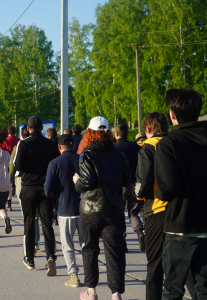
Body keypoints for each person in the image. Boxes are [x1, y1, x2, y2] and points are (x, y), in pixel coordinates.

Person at [155, 89, 207, 299]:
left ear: (172, 115)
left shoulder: (169, 144)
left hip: (181, 225)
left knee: (172, 290)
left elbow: (167, 187)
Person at [133, 112, 196, 300]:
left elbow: (143, 182)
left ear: (147, 129)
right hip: (181, 209)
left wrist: (137, 193)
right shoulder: (179, 143)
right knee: (186, 262)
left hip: (157, 209)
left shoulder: (148, 148)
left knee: (155, 264)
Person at [74, 116, 130, 300]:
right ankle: (116, 294)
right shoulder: (119, 154)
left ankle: (91, 291)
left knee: (90, 248)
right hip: (113, 209)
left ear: (89, 132)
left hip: (90, 209)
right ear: (107, 132)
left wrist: (77, 183)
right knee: (114, 251)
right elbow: (127, 181)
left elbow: (87, 180)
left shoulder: (88, 154)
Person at [14, 115, 60, 276]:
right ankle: (51, 256)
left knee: (29, 222)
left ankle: (29, 258)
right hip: (45, 188)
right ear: (42, 128)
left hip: (28, 188)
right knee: (47, 223)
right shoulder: (50, 144)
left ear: (28, 129)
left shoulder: (23, 144)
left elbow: (18, 166)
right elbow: (56, 164)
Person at [44, 134, 83, 288]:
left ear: (59, 147)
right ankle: (92, 272)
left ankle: (73, 275)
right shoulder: (82, 159)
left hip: (65, 208)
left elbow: (47, 189)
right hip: (84, 208)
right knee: (86, 244)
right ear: (74, 145)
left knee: (67, 245)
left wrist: (51, 195)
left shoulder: (54, 163)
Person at [114, 124, 145, 252]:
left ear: (116, 134)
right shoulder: (138, 148)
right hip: (135, 184)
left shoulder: (114, 149)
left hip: (120, 185)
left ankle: (122, 242)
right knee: (133, 212)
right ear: (128, 134)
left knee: (119, 214)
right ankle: (139, 232)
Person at [10, 126, 42, 254]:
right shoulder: (41, 144)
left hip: (22, 181)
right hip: (40, 181)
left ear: (22, 135)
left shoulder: (19, 146)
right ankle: (36, 241)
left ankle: (29, 243)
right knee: (36, 215)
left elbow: (12, 168)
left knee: (27, 214)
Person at [1, 125, 20, 211]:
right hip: (18, 164)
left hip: (7, 164)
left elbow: (1, 153)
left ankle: (9, 205)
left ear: (8, 132)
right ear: (15, 132)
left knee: (8, 184)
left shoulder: (4, 142)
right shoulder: (18, 141)